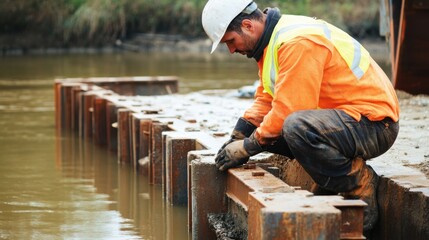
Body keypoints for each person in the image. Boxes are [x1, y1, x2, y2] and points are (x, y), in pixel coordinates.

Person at [201, 0, 400, 234]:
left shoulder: (296, 42)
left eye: (230, 42)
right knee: (272, 132)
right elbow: (266, 98)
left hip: (374, 124)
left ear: (247, 25)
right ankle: (329, 178)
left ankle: (358, 183)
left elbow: (289, 111)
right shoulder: (272, 45)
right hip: (344, 122)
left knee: (292, 127)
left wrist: (247, 146)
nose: (231, 50)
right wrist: (239, 134)